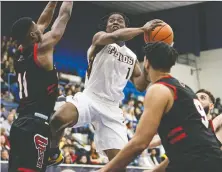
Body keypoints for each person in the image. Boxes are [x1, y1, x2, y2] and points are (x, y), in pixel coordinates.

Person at [50, 12, 163, 161]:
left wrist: (149, 68)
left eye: (120, 20)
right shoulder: (99, 39)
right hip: (90, 97)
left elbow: (140, 85)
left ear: (125, 26)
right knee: (57, 119)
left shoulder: (131, 57)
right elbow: (116, 37)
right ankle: (52, 154)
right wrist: (143, 29)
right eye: (111, 20)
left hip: (112, 108)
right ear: (106, 26)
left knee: (118, 163)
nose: (115, 22)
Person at [98, 41, 222, 172]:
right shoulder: (185, 90)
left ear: (146, 62)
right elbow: (185, 149)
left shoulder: (159, 89)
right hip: (206, 161)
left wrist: (103, 170)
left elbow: (139, 143)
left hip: (197, 163)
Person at [9, 1, 73, 172]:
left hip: (20, 124)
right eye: (35, 28)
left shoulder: (21, 52)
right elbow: (64, 17)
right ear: (32, 35)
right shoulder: (43, 48)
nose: (39, 27)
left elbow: (43, 21)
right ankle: (53, 151)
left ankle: (53, 151)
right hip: (36, 126)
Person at [147, 89, 222, 172]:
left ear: (211, 106)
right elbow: (157, 141)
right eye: (196, 98)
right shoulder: (185, 126)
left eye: (203, 98)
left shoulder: (216, 126)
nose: (198, 100)